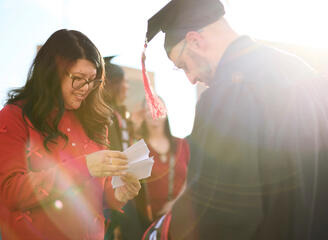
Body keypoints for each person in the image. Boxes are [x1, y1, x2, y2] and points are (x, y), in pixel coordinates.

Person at [142, 0, 328, 239]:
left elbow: (224, 217)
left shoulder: (226, 96)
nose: (191, 78)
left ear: (195, 41)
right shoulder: (310, 77)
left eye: (183, 65)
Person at [0, 29, 141, 240]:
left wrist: (118, 193)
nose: (86, 88)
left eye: (93, 80)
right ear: (51, 73)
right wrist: (84, 166)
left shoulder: (96, 122)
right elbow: (10, 191)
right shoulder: (13, 117)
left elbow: (96, 195)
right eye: (78, 78)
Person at [117, 100, 190, 240]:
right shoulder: (138, 146)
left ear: (166, 112)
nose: (153, 112)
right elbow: (126, 177)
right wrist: (134, 126)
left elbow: (191, 178)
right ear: (143, 114)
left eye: (157, 106)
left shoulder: (182, 144)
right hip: (148, 223)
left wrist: (175, 205)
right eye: (148, 109)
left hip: (181, 219)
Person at [102, 56, 134, 240]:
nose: (128, 87)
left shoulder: (118, 113)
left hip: (122, 188)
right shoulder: (104, 114)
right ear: (114, 84)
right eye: (125, 82)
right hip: (109, 191)